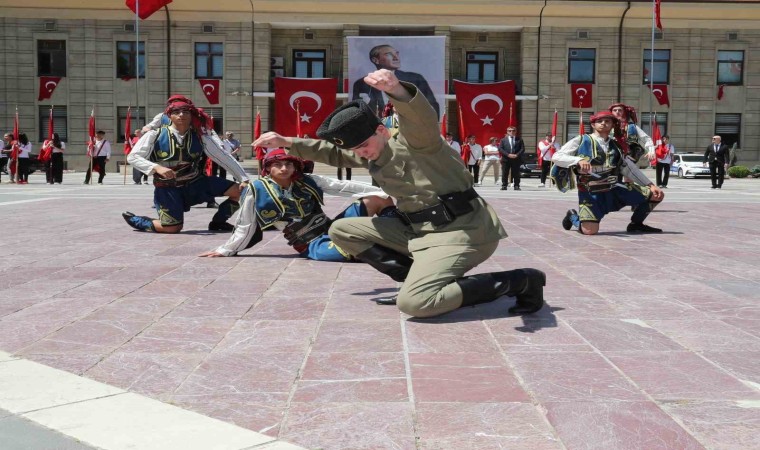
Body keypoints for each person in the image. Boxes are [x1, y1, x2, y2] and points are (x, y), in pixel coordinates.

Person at [253, 68, 546, 318]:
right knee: (342, 230)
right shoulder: (371, 153)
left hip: (462, 232)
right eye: (356, 149)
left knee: (416, 304)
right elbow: (334, 153)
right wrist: (287, 142)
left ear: (381, 130)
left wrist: (397, 90)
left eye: (363, 145)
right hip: (418, 231)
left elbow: (421, 119)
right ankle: (412, 279)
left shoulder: (417, 142)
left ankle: (520, 281)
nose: (361, 153)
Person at [199, 148, 395, 260]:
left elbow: (342, 186)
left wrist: (387, 190)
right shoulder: (256, 189)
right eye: (278, 165)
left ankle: (400, 233)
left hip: (333, 228)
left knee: (379, 199)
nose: (284, 168)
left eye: (289, 164)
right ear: (268, 168)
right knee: (357, 252)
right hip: (312, 243)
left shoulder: (307, 179)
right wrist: (225, 250)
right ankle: (390, 246)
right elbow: (245, 225)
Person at [122, 95, 249, 233]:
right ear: (169, 116)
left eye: (186, 112)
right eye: (176, 112)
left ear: (192, 115)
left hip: (196, 183)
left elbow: (223, 157)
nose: (181, 115)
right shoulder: (155, 135)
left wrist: (243, 178)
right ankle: (139, 221)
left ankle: (218, 222)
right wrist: (156, 167)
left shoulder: (201, 136)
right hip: (168, 188)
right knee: (172, 228)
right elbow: (133, 157)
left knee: (241, 191)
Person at [551, 110, 665, 235]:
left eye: (607, 121)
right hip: (591, 193)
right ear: (593, 125)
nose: (603, 123)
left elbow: (628, 168)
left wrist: (650, 184)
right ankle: (573, 216)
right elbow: (557, 157)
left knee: (656, 194)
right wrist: (578, 160)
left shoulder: (616, 145)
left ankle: (636, 224)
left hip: (615, 189)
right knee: (589, 231)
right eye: (599, 121)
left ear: (612, 125)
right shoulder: (581, 140)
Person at [352, 44, 440, 117]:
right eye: (388, 54)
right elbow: (358, 111)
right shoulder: (362, 84)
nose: (396, 57)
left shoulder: (415, 79)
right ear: (376, 60)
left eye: (396, 54)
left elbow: (432, 106)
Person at [498, 126, 524, 190]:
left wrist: (517, 155)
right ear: (507, 132)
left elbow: (522, 149)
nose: (511, 132)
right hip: (506, 159)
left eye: (513, 130)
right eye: (509, 131)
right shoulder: (503, 140)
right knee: (505, 173)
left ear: (516, 131)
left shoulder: (519, 140)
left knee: (516, 173)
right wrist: (508, 155)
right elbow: (500, 149)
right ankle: (504, 185)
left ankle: (516, 185)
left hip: (516, 159)